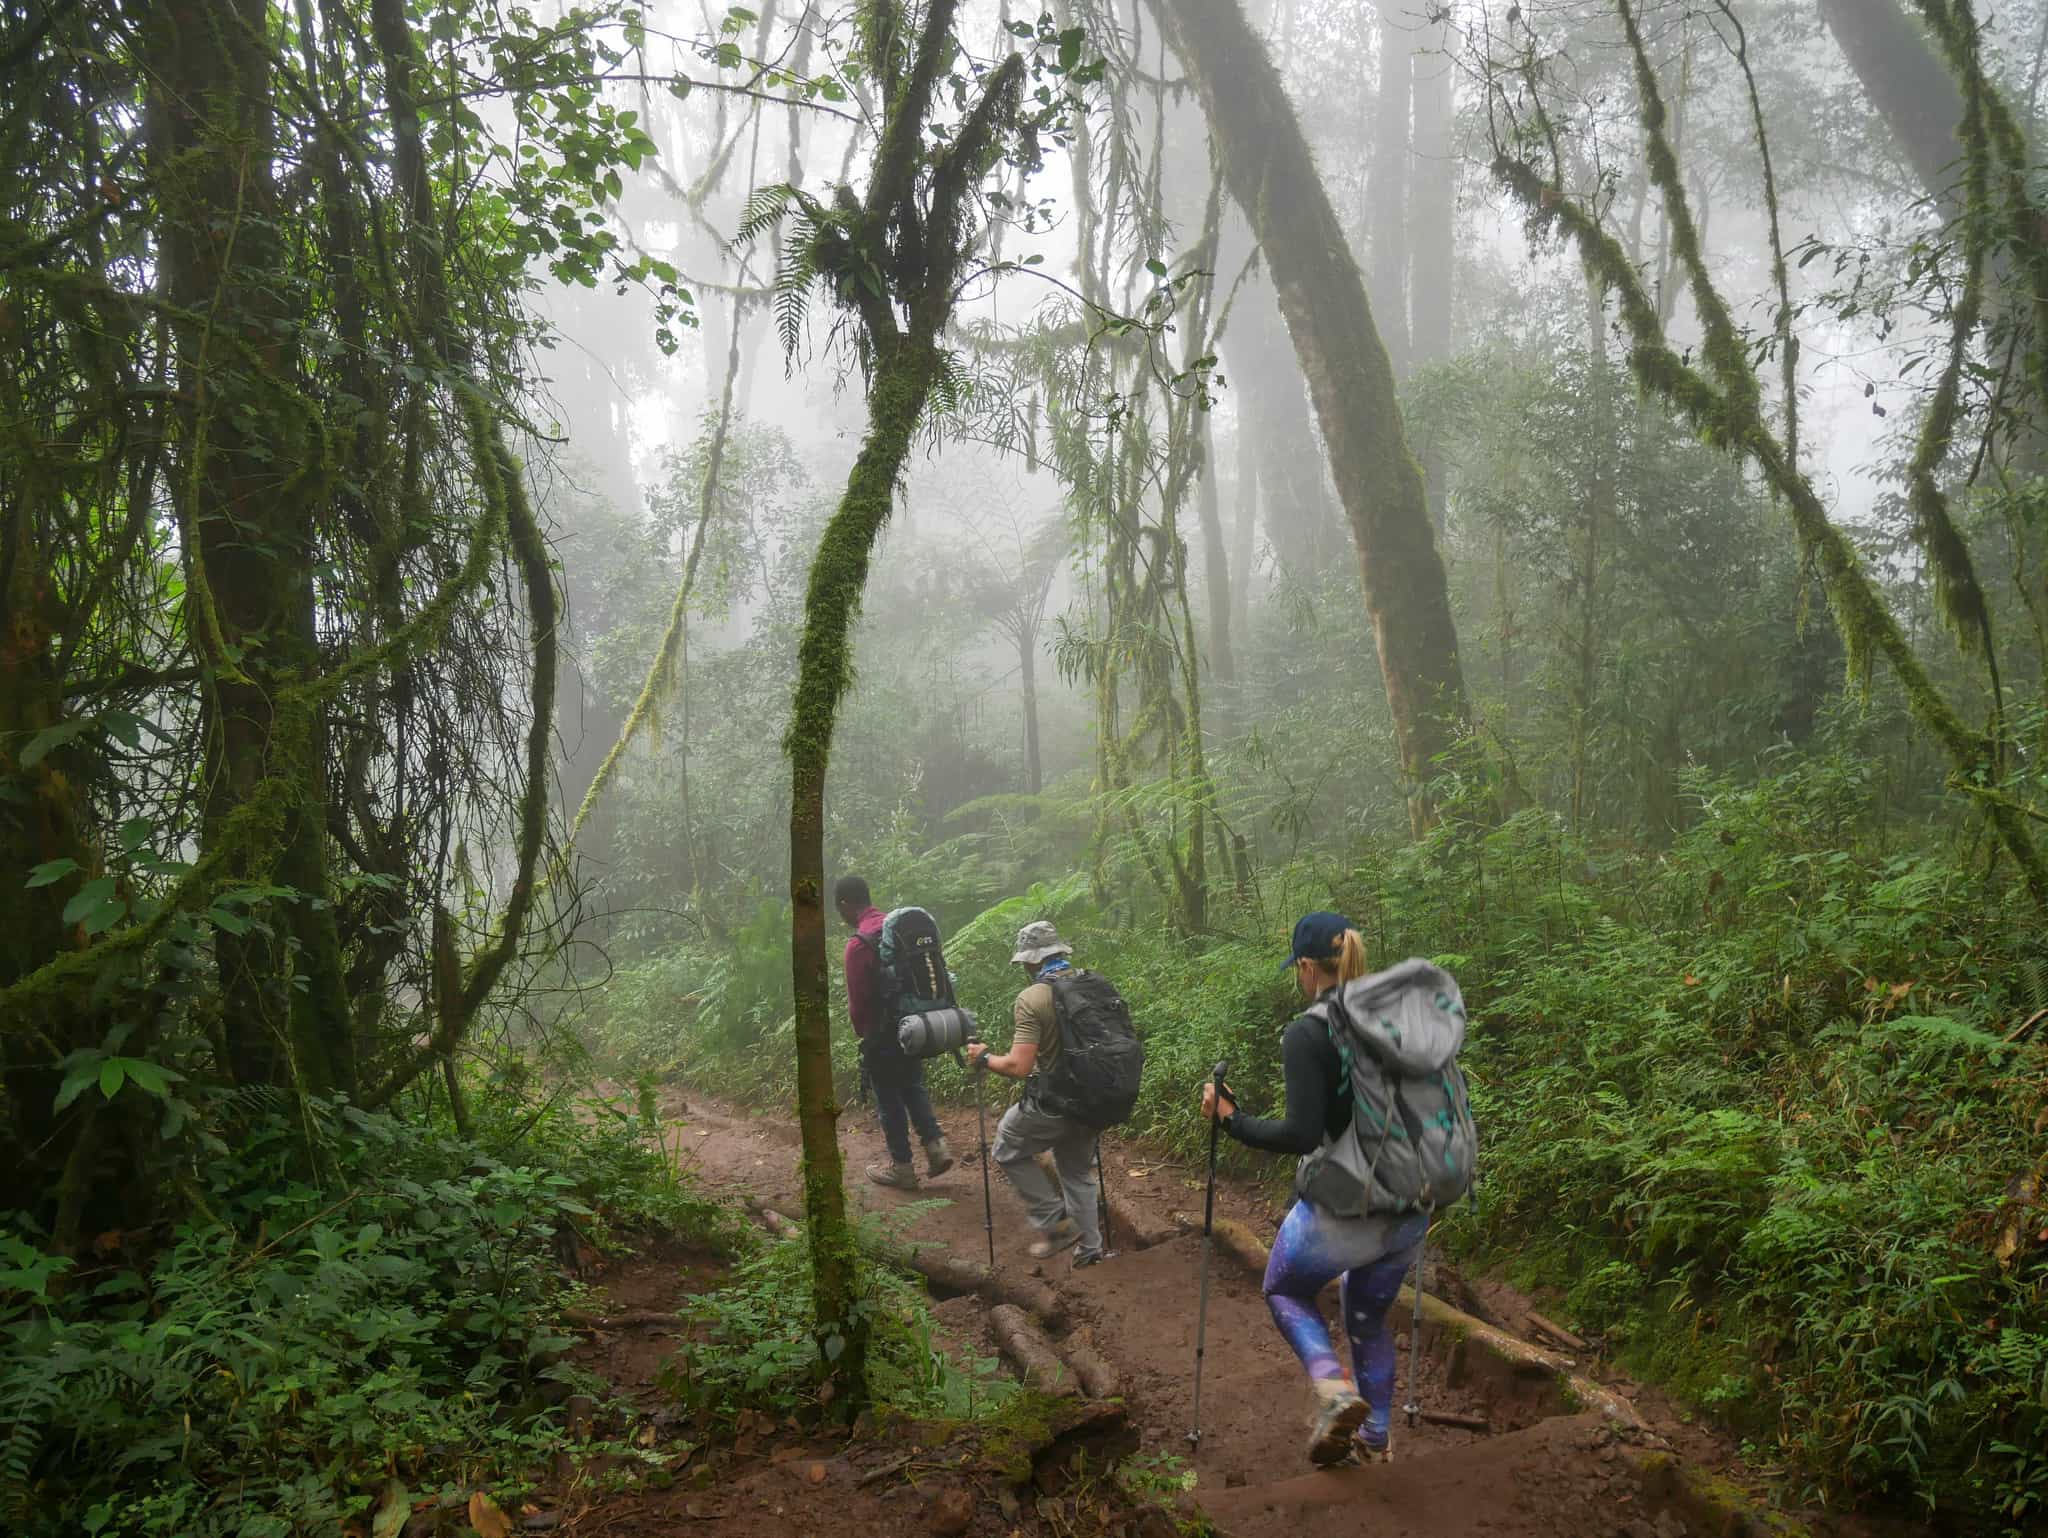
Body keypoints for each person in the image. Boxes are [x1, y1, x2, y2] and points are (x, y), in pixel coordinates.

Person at [1201, 911, 1428, 1468]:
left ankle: (1333, 1389)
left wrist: (1230, 1117)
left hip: (1351, 1204)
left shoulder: (1308, 1031)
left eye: (1297, 970)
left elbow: (1301, 1133)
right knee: (1366, 1315)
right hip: (1414, 1200)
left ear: (1307, 966)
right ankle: (1376, 1439)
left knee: (1284, 1289)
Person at [964, 920, 1108, 1269]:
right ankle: (1090, 1250)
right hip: (1097, 1100)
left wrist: (983, 1057)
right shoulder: (1094, 984)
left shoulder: (1032, 998)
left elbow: (1018, 1066)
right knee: (1075, 1170)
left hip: (1055, 1103)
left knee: (1007, 1147)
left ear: (1031, 961)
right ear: (1059, 951)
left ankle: (1055, 1223)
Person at [837, 876, 954, 1189]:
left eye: (840, 908)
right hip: (914, 1023)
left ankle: (902, 1167)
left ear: (846, 904)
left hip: (882, 1032)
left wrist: (865, 1035)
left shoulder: (858, 944)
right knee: (913, 1085)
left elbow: (857, 1002)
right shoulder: (896, 927)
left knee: (888, 1099)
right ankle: (937, 1148)